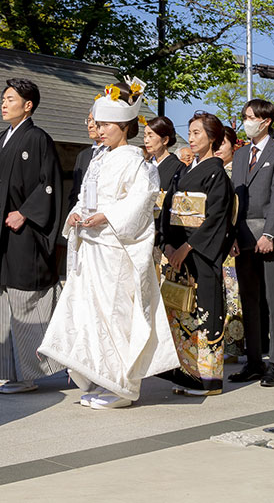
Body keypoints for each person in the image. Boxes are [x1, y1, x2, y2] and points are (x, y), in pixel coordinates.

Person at [38, 80, 178, 409]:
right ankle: (100, 379)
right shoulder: (100, 158)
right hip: (92, 248)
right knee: (91, 316)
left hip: (117, 250)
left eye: (105, 126)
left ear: (124, 127)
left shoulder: (134, 161)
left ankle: (121, 386)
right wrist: (75, 215)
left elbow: (142, 202)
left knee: (116, 315)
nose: (99, 131)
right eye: (98, 125)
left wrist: (108, 216)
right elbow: (85, 198)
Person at [0, 78, 64, 394]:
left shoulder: (38, 139)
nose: (4, 103)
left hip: (22, 230)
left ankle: (24, 374)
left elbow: (48, 184)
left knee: (21, 298)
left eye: (11, 99)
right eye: (3, 98)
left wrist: (24, 212)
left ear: (28, 105)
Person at [161, 112, 234, 395]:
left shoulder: (217, 172)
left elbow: (217, 217)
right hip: (179, 250)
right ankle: (186, 374)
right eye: (189, 133)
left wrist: (187, 247)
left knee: (205, 310)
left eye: (197, 133)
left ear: (212, 137)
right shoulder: (184, 170)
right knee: (182, 313)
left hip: (200, 252)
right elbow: (169, 208)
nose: (191, 138)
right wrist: (168, 243)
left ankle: (208, 379)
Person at [229, 99, 274, 388]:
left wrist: (269, 234)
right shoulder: (242, 154)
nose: (246, 122)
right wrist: (231, 235)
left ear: (265, 121)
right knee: (249, 300)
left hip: (270, 237)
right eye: (244, 117)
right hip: (242, 237)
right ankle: (254, 361)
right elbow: (235, 199)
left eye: (250, 117)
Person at [216, 126, 246, 361]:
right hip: (213, 238)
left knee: (232, 292)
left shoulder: (237, 170)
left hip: (230, 236)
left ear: (234, 146)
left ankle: (234, 344)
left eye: (222, 144)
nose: (218, 149)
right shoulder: (213, 169)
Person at [143, 115, 184, 247]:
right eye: (145, 136)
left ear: (165, 139)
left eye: (150, 135)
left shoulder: (178, 167)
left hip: (165, 231)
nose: (146, 140)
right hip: (143, 228)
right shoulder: (144, 166)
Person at [68, 108, 104, 208]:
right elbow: (75, 192)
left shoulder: (114, 153)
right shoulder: (83, 155)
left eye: (95, 121)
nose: (90, 125)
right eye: (88, 120)